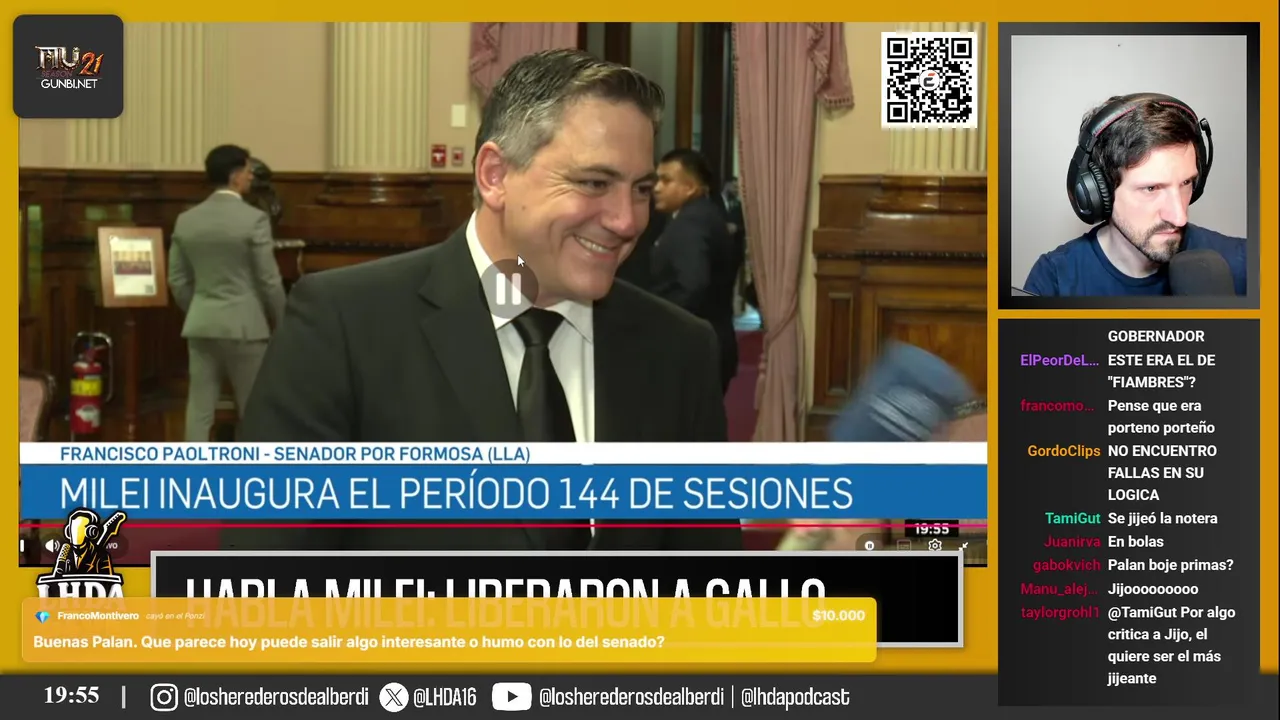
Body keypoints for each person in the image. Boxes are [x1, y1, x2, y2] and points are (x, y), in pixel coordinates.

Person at [229, 49, 740, 553]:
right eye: (593, 183)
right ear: (495, 175)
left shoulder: (679, 349)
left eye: (641, 189)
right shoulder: (346, 327)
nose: (626, 221)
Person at [1024, 93, 1246, 297]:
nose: (1179, 217)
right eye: (1151, 188)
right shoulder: (1054, 280)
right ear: (1099, 193)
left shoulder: (1243, 263)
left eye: (1186, 183)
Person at [169, 144, 286, 441]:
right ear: (235, 176)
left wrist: (199, 308)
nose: (251, 176)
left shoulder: (187, 220)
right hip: (246, 326)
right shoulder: (254, 219)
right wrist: (283, 320)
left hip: (201, 323)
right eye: (247, 170)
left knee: (199, 409)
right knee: (253, 409)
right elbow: (269, 280)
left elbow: (177, 280)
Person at [651, 148, 743, 394]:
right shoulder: (704, 213)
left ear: (690, 187)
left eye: (666, 180)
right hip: (710, 343)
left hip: (693, 350)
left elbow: (693, 285)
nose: (656, 188)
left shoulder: (691, 222)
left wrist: (653, 316)